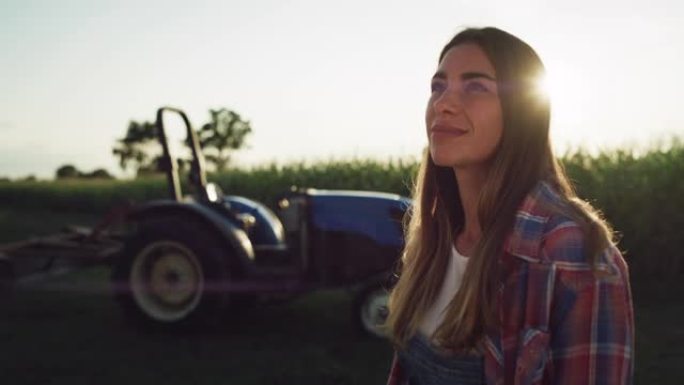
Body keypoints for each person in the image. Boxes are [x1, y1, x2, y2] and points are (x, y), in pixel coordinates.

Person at [384, 27, 634, 385]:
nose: (443, 104)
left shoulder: (571, 254)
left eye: (475, 87)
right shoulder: (432, 241)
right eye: (438, 87)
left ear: (521, 113)